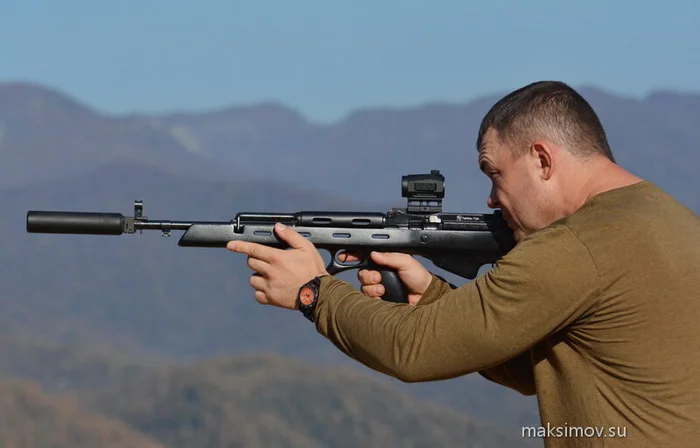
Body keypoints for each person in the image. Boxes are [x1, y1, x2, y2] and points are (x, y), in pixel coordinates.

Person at [227, 81, 700, 447]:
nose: (493, 198)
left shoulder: (578, 245)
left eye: (495, 172)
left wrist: (314, 293)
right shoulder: (671, 221)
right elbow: (542, 369)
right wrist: (434, 299)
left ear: (541, 160)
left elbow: (412, 351)